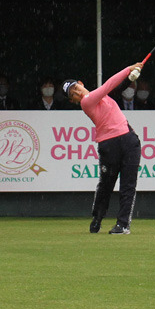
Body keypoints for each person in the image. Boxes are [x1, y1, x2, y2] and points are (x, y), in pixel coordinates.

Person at [63, 61, 144, 234]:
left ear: (81, 83)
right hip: (109, 145)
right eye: (73, 94)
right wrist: (128, 68)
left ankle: (123, 224)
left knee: (128, 185)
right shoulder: (87, 102)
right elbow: (109, 84)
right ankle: (98, 217)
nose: (77, 92)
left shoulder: (101, 97)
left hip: (129, 140)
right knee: (106, 185)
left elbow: (117, 87)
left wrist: (131, 77)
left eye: (76, 87)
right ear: (73, 101)